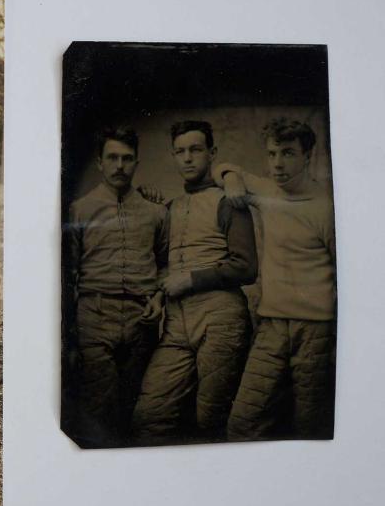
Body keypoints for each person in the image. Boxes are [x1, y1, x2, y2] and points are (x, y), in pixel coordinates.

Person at [132, 120, 257, 441]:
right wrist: (159, 296)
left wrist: (190, 280)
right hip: (176, 324)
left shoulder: (228, 202)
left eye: (196, 150)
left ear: (212, 153)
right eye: (180, 151)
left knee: (210, 418)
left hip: (221, 320)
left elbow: (246, 267)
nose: (187, 158)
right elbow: (166, 264)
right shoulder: (171, 207)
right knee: (149, 416)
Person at [216, 118, 337, 440]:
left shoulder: (326, 208)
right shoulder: (267, 190)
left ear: (307, 156)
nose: (277, 164)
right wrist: (231, 180)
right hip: (271, 325)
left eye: (287, 154)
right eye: (271, 154)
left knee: (311, 426)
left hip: (316, 330)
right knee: (243, 422)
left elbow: (348, 276)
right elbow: (224, 167)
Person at [63, 126, 169, 447]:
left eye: (127, 158)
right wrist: (69, 335)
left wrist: (160, 298)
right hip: (95, 316)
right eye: (112, 158)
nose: (119, 165)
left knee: (136, 405)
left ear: (137, 162)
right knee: (100, 402)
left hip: (142, 319)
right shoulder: (80, 210)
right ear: (100, 162)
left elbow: (165, 264)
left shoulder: (157, 212)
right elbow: (69, 273)